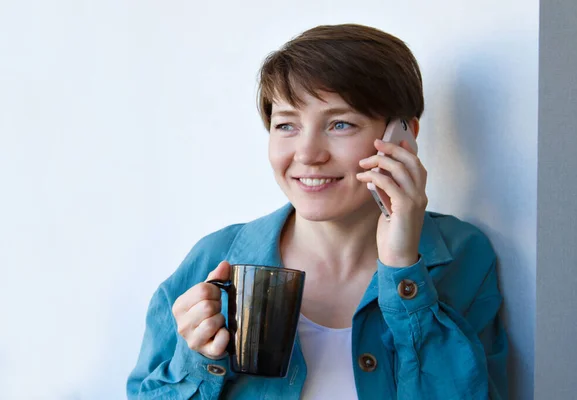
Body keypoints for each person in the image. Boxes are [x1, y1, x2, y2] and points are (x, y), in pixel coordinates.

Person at [127, 23, 508, 400]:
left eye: (340, 124)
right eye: (287, 125)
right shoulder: (215, 259)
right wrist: (197, 360)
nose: (307, 154)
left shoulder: (462, 256)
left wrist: (401, 268)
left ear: (402, 137)